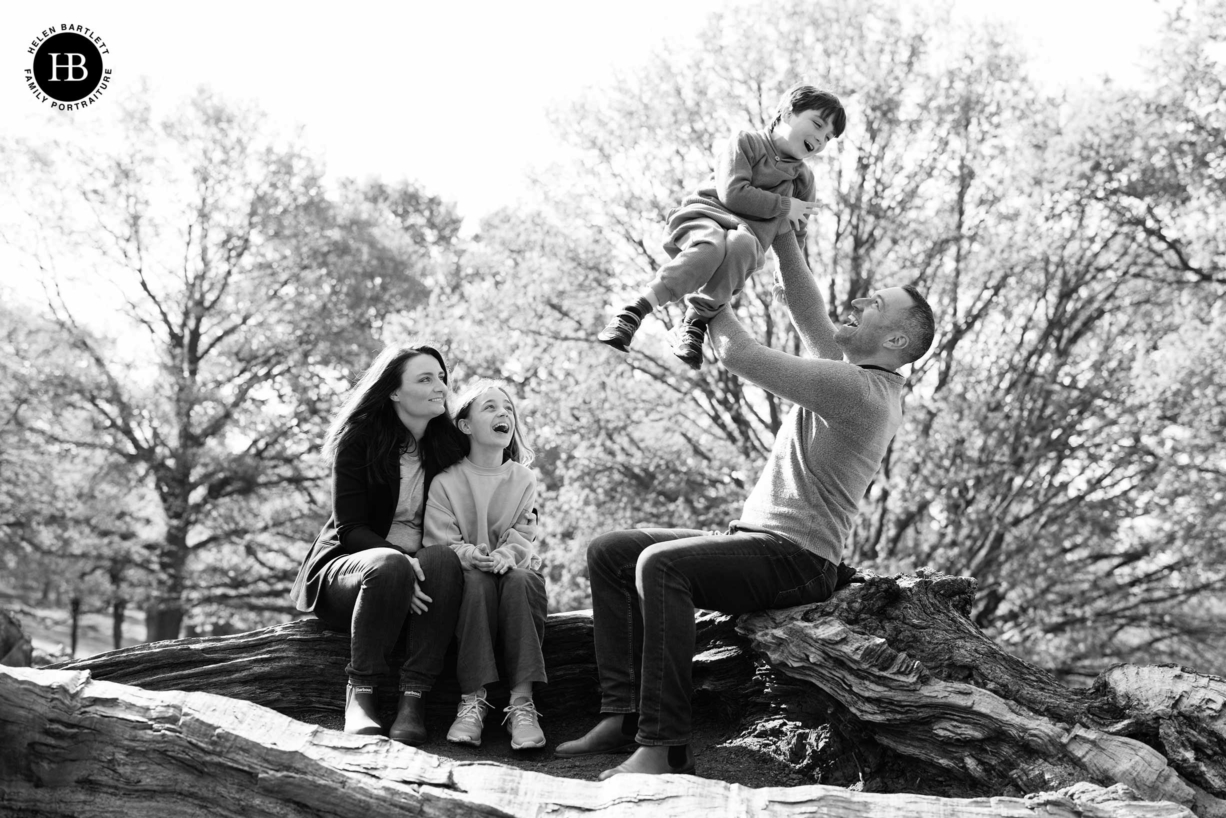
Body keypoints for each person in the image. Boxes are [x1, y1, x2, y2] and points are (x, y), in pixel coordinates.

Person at [558, 231, 936, 778]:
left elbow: (740, 353)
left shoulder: (859, 391)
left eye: (874, 304)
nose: (857, 302)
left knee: (658, 566)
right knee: (613, 551)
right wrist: (783, 238)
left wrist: (709, 294)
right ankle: (622, 714)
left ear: (897, 339)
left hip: (797, 560)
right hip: (758, 545)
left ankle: (661, 746)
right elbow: (813, 315)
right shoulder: (853, 375)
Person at [597, 83, 846, 370]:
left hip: (745, 236)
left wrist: (784, 276)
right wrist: (783, 205)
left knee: (742, 246)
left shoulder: (803, 180)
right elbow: (733, 193)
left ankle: (694, 323)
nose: (820, 139)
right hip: (705, 217)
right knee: (710, 246)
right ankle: (634, 311)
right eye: (817, 124)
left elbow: (797, 233)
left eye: (828, 137)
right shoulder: (746, 143)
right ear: (787, 113)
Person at [290, 343, 467, 745]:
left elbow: (495, 478)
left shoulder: (449, 446)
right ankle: (362, 694)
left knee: (443, 559)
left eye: (441, 377)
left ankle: (413, 699)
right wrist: (405, 566)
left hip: (421, 577)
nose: (440, 386)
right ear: (393, 391)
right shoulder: (360, 440)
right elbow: (350, 528)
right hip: (350, 570)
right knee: (391, 564)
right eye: (425, 378)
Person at [423, 380, 548, 751]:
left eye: (508, 408)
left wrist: (506, 557)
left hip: (514, 572)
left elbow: (524, 533)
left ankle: (522, 703)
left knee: (522, 581)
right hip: (469, 578)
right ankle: (472, 701)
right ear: (465, 425)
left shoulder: (523, 478)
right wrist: (470, 556)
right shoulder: (446, 481)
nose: (503, 414)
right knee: (476, 583)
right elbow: (439, 540)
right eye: (490, 407)